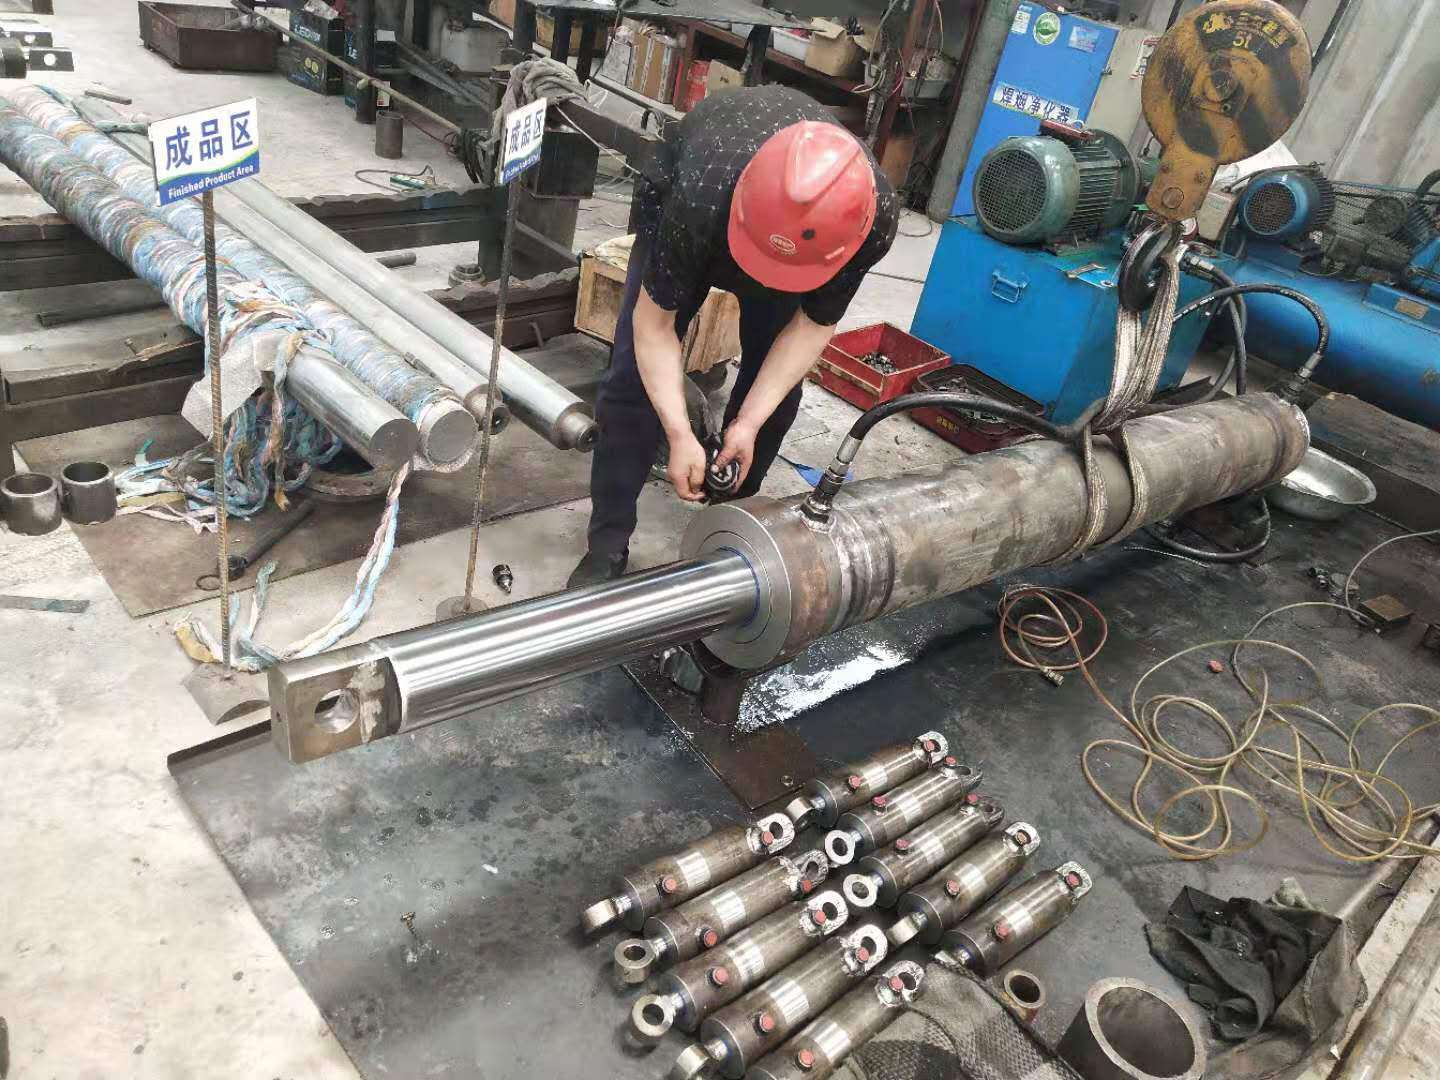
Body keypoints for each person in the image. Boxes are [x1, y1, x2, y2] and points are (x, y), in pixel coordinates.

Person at [568, 85, 900, 588]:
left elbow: (812, 326)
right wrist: (678, 433)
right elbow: (654, 327)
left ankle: (731, 528)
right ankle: (607, 544)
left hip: (803, 243)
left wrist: (747, 423)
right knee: (631, 383)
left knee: (774, 396)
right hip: (706, 205)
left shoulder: (872, 220)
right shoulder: (698, 196)